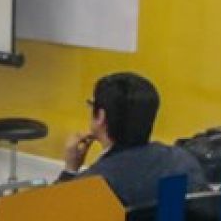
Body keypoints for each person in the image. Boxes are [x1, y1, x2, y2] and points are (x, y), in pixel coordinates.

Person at [60, 71, 208, 209]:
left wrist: (70, 171)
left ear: (101, 116)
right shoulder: (183, 161)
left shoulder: (96, 184)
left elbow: (57, 215)